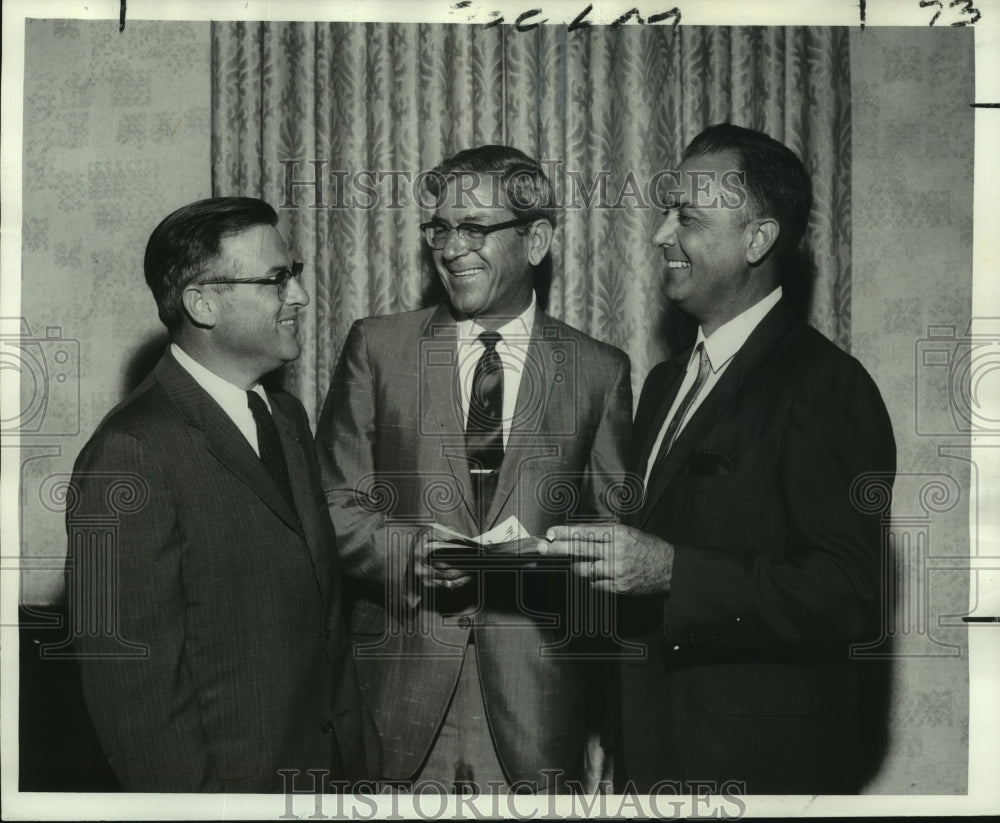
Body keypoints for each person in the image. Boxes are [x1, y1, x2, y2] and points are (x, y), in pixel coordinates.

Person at [541, 124, 897, 794]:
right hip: (649, 761)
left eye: (687, 218)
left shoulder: (825, 385)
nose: (659, 236)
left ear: (757, 240)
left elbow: (850, 595)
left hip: (752, 772)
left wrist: (674, 571)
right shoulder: (666, 382)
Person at [316, 145, 632, 793]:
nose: (451, 247)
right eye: (439, 227)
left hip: (537, 714)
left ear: (537, 240)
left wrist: (553, 557)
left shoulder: (600, 371)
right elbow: (333, 503)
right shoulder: (377, 347)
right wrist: (410, 551)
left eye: (475, 228)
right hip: (395, 707)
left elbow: (613, 535)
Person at [66, 197, 378, 792]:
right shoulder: (129, 453)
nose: (300, 298)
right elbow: (133, 691)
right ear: (202, 302)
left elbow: (322, 620)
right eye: (274, 280)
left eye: (295, 274)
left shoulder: (285, 416)